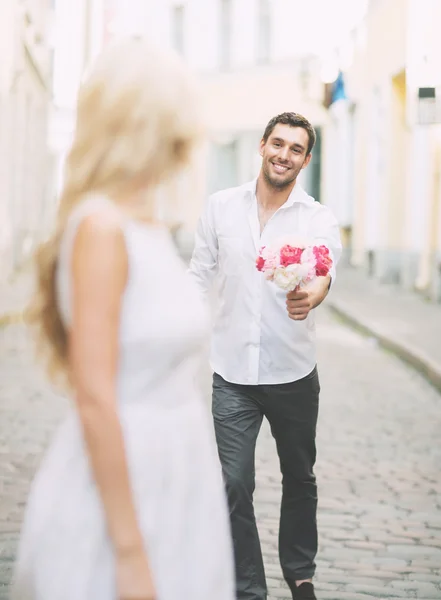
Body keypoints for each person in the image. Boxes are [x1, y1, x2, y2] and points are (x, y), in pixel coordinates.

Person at [11, 38, 235, 600]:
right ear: (143, 130)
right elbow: (94, 395)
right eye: (175, 132)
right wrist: (131, 551)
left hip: (177, 476)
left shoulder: (146, 227)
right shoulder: (101, 229)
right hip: (125, 484)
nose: (184, 150)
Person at [189, 112, 342, 600]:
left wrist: (312, 295)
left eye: (295, 149)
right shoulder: (219, 208)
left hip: (292, 372)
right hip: (231, 372)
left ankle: (299, 572)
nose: (284, 154)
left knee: (299, 476)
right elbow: (198, 275)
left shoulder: (316, 218)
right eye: (278, 144)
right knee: (234, 484)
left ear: (306, 159)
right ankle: (250, 588)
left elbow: (323, 271)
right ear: (262, 146)